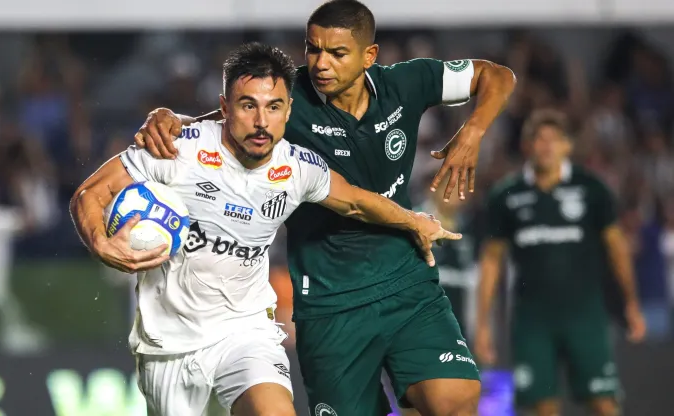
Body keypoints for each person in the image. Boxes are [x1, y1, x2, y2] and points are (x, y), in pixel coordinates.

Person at [133, 1, 515, 414]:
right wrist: (170, 118)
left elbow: (497, 75)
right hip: (330, 303)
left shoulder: (407, 82)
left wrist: (472, 132)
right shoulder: (289, 98)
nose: (320, 64)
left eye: (336, 53)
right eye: (313, 49)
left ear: (370, 56)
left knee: (456, 399)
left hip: (406, 282)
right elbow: (227, 124)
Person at [70, 43, 459, 416]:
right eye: (247, 105)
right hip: (167, 344)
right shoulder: (177, 150)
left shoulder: (298, 169)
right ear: (224, 108)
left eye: (273, 107)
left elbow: (357, 200)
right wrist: (102, 244)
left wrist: (414, 221)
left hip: (245, 330)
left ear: (288, 110)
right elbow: (91, 192)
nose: (261, 121)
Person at [475, 109, 647, 416]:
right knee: (543, 408)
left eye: (554, 139)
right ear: (526, 146)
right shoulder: (507, 195)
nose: (546, 146)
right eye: (538, 139)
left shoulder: (591, 189)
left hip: (585, 317)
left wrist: (631, 303)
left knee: (605, 403)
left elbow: (617, 249)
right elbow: (491, 261)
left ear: (568, 146)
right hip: (532, 320)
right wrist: (484, 325)